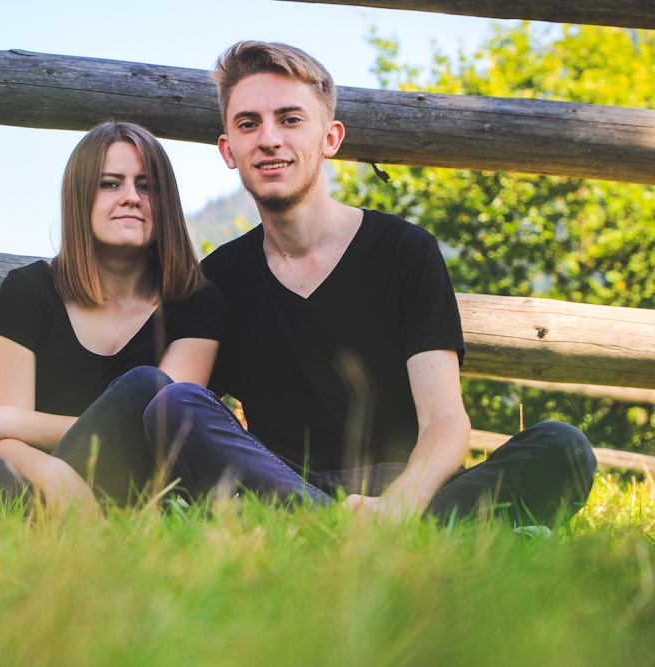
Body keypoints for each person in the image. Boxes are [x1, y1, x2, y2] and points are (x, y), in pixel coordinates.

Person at [143, 41, 597, 527]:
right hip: (282, 485)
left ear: (330, 138)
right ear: (228, 149)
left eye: (291, 119)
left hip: (407, 488)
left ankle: (351, 532)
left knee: (562, 447)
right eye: (248, 123)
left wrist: (400, 503)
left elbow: (445, 421)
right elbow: (184, 413)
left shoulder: (405, 251)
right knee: (174, 403)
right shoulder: (218, 279)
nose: (269, 138)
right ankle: (371, 531)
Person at [0, 121, 224, 512]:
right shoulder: (29, 291)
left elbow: (168, 427)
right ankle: (37, 528)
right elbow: (4, 445)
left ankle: (23, 533)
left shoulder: (196, 301)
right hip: (20, 485)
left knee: (151, 389)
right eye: (111, 183)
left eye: (146, 185)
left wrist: (7, 420)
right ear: (80, 196)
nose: (131, 197)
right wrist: (56, 477)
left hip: (126, 496)